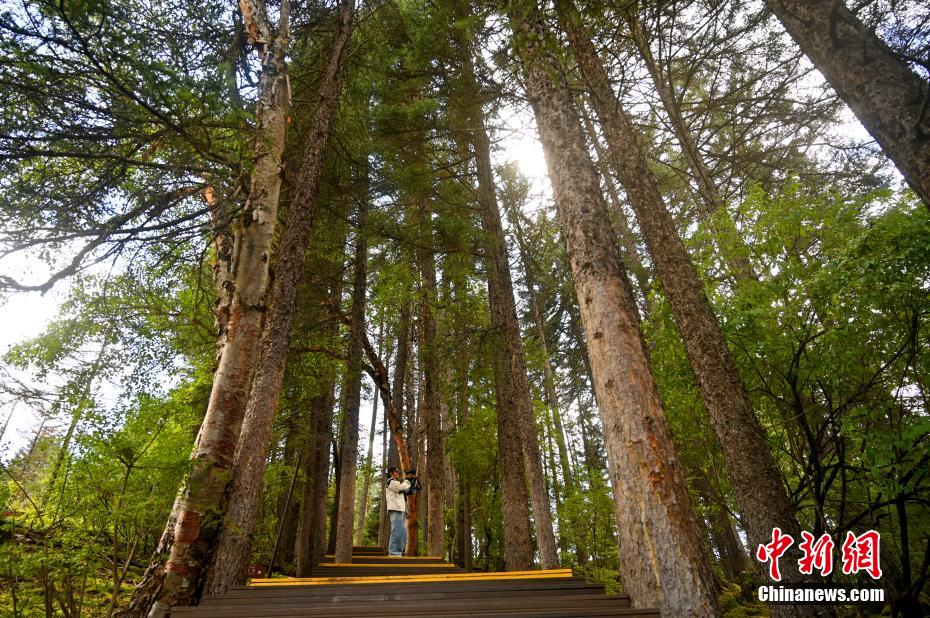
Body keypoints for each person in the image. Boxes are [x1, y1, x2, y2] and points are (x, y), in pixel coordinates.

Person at [385, 467, 411, 556]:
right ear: (391, 473)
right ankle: (393, 554)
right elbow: (400, 488)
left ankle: (399, 553)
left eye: (398, 471)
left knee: (403, 533)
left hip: (402, 509)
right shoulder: (390, 481)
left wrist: (412, 480)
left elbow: (407, 490)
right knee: (396, 531)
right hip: (395, 509)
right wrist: (407, 480)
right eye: (396, 471)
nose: (398, 473)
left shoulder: (398, 483)